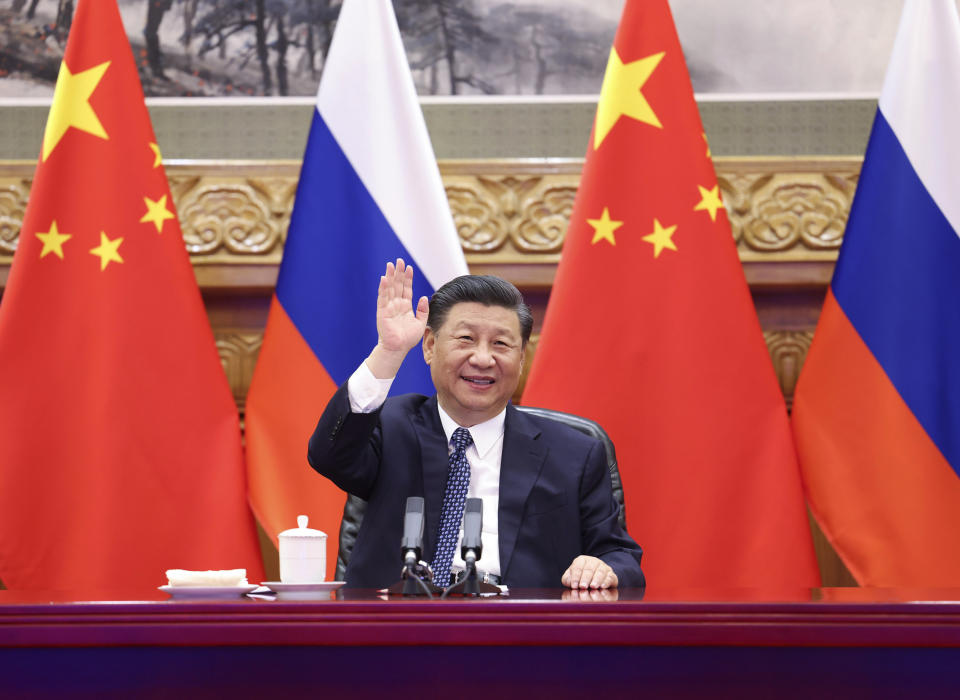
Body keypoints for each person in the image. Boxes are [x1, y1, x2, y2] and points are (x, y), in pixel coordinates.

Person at [308, 259, 644, 589]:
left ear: (522, 357)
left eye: (501, 343)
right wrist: (389, 351)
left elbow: (619, 556)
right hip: (399, 626)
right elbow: (329, 454)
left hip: (522, 632)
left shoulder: (575, 451)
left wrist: (602, 567)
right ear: (429, 345)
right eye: (466, 339)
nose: (483, 359)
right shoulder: (389, 425)